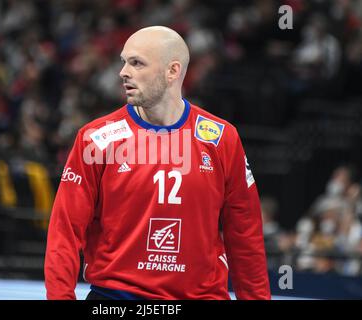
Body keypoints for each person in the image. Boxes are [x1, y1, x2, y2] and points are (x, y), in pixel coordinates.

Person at [44, 26, 271, 300]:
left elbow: (245, 235)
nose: (123, 72)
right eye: (124, 62)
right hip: (117, 297)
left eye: (137, 63)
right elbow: (64, 231)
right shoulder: (97, 139)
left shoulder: (222, 138)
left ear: (172, 71)